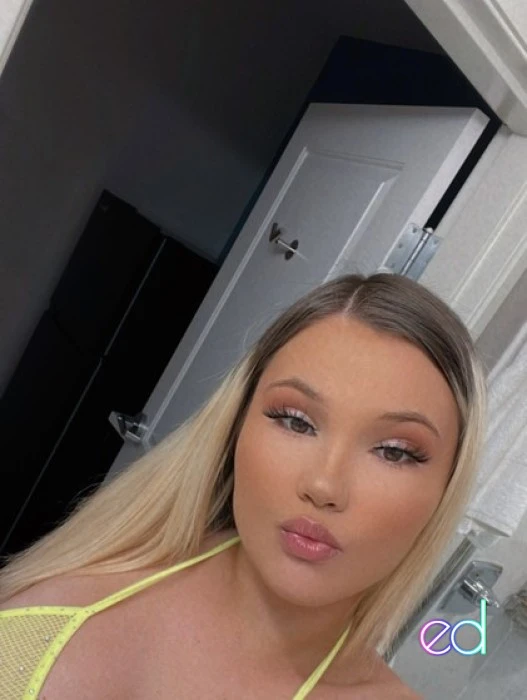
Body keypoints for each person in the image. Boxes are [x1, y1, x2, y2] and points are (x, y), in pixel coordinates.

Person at [0, 272, 487, 699]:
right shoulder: (46, 624)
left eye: (395, 451)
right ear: (235, 426)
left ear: (444, 491)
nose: (323, 484)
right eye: (295, 421)